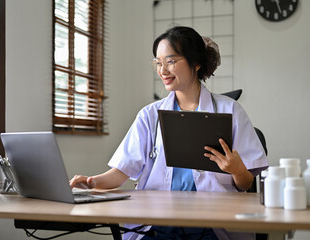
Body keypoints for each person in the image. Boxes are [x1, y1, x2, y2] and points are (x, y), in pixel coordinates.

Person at [70, 26, 269, 240]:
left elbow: (246, 183)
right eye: (158, 63)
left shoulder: (230, 111)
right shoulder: (149, 115)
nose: (162, 71)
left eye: (170, 61)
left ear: (196, 62)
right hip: (157, 223)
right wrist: (91, 182)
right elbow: (122, 171)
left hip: (211, 226)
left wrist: (237, 170)